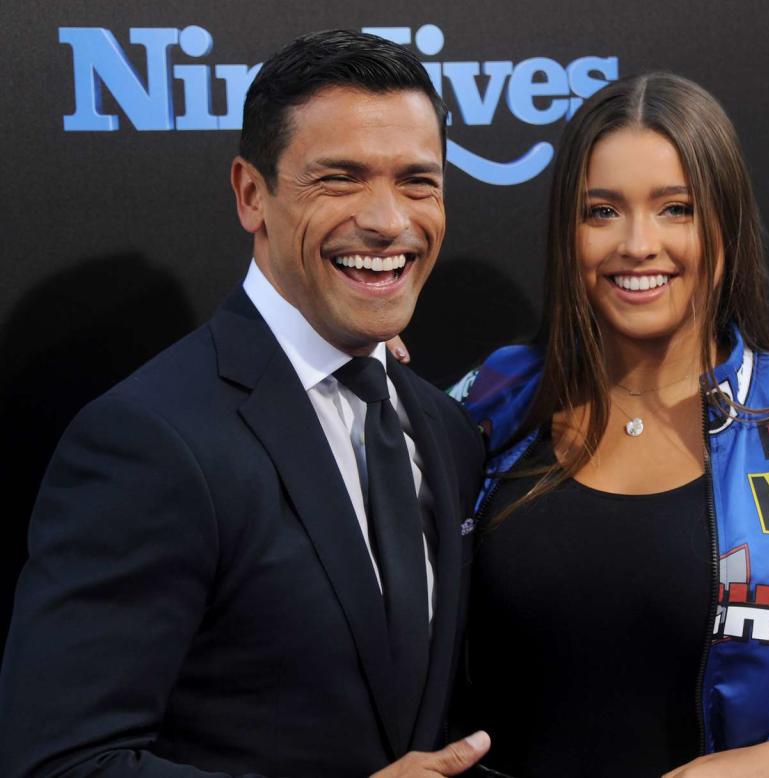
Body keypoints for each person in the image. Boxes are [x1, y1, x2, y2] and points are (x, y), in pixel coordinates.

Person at [0, 30, 492, 778]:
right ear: (251, 194)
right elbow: (61, 763)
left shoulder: (444, 429)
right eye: (341, 179)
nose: (390, 221)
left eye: (418, 182)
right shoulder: (150, 440)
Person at [445, 73, 769, 777]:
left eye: (676, 209)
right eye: (601, 211)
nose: (637, 243)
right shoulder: (490, 402)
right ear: (568, 230)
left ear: (727, 224)